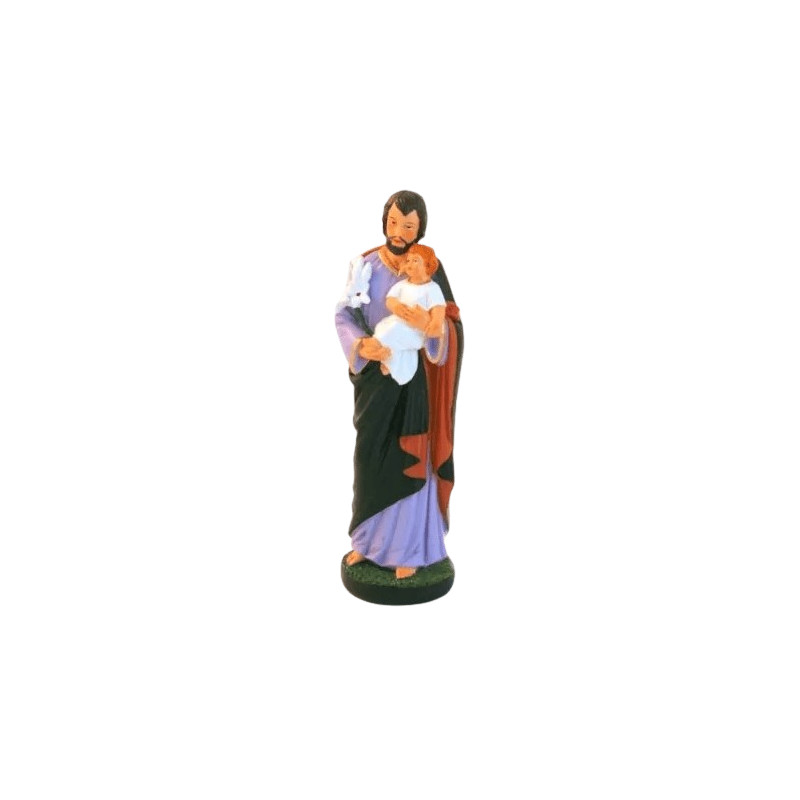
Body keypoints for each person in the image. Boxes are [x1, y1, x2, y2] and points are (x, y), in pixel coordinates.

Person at [334, 191, 463, 580]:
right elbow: (344, 314)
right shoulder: (366, 265)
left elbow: (451, 324)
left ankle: (410, 549)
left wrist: (434, 330)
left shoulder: (429, 268)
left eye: (408, 226)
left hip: (412, 387)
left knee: (408, 463)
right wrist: (360, 345)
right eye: (393, 222)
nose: (398, 232)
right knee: (369, 460)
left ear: (419, 230)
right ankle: (367, 542)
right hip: (374, 379)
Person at [373, 244, 446, 385]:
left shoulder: (432, 289)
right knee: (384, 329)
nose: (410, 264)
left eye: (415, 260)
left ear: (427, 265)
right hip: (399, 321)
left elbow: (438, 310)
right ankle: (395, 366)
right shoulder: (402, 285)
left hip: (417, 330)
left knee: (394, 332)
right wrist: (396, 306)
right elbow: (390, 299)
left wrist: (434, 325)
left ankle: (385, 355)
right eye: (408, 260)